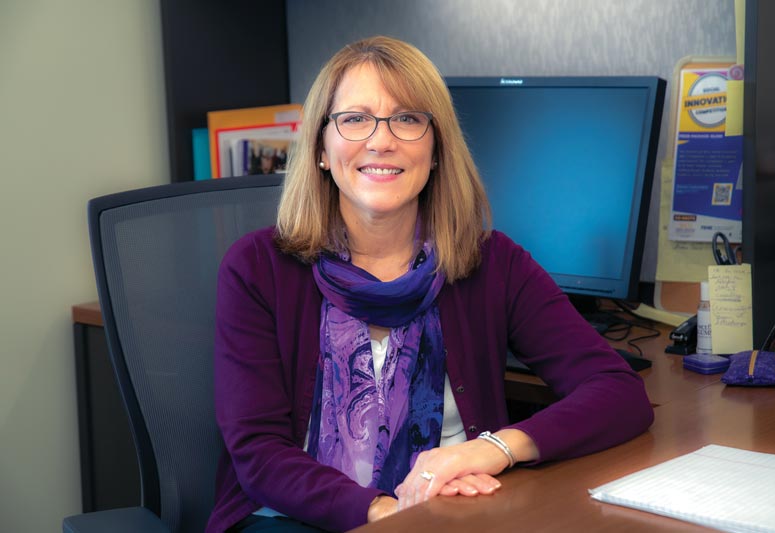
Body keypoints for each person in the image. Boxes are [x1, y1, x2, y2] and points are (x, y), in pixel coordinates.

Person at [207, 36, 653, 533]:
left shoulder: (489, 262)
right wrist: (388, 513)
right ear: (321, 150)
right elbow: (259, 454)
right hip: (292, 518)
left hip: (450, 510)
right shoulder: (258, 267)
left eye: (408, 119)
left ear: (437, 148)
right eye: (354, 119)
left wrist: (493, 449)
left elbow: (617, 392)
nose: (381, 141)